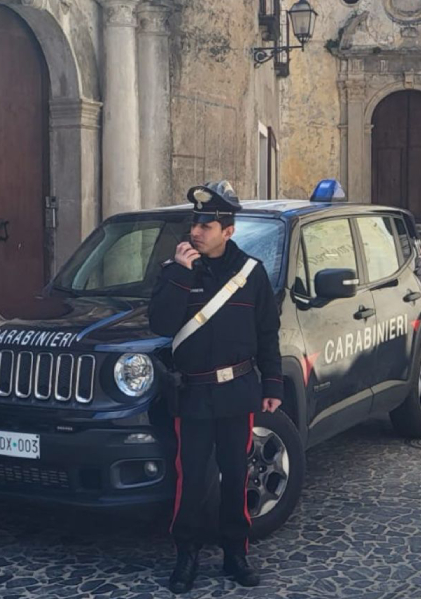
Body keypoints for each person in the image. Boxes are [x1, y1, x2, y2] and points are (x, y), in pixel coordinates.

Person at [149, 180, 283, 593]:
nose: (196, 232)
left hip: (237, 392)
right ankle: (186, 555)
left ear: (228, 231)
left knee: (236, 475)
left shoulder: (251, 274)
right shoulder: (177, 272)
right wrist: (178, 274)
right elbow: (161, 324)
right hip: (191, 395)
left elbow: (267, 332)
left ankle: (235, 553)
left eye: (206, 226)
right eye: (195, 224)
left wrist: (272, 382)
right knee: (189, 480)